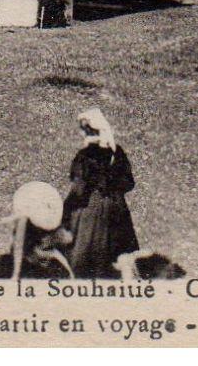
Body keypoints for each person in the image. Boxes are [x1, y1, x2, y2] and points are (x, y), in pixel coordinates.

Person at [64, 108, 139, 278]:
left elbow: (79, 187)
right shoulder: (116, 152)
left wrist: (67, 208)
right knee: (118, 253)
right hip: (116, 208)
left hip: (90, 209)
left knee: (84, 254)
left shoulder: (84, 155)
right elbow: (129, 183)